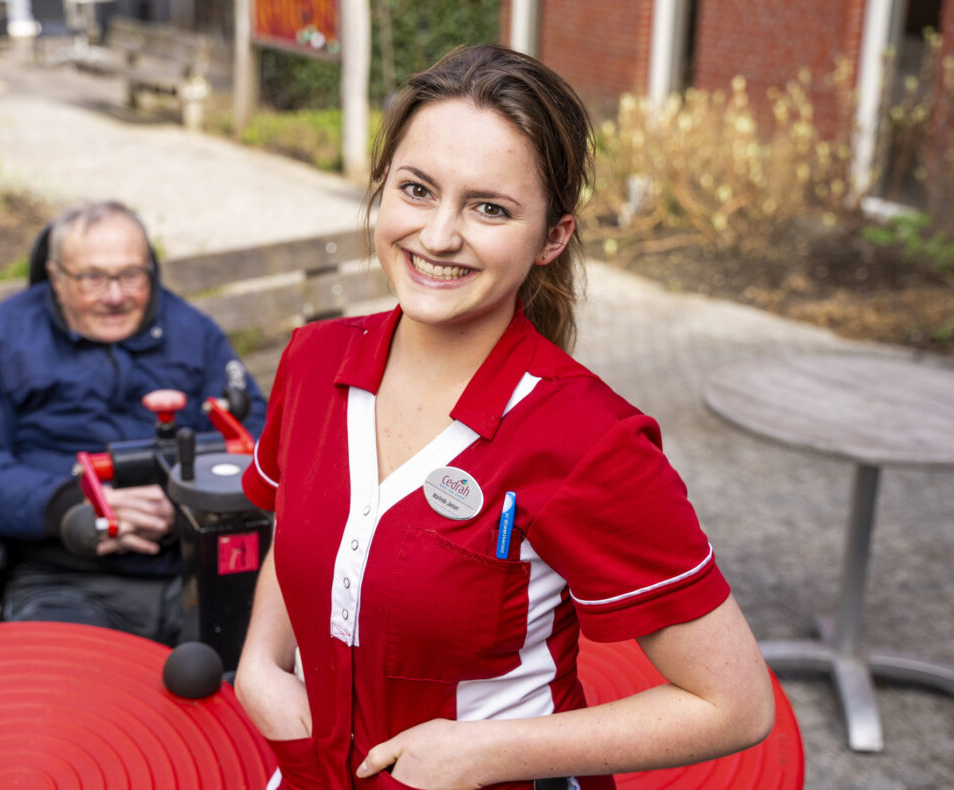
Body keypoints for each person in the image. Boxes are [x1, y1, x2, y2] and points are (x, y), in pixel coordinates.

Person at [233, 45, 774, 789]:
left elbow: (734, 705)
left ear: (552, 238)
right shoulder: (312, 361)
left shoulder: (591, 441)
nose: (439, 236)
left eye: (490, 208)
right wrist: (262, 662)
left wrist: (485, 752)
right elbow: (305, 526)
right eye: (417, 189)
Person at [0, 201, 266, 645]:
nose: (116, 295)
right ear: (57, 279)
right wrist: (66, 505)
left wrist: (187, 499)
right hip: (67, 582)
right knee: (68, 705)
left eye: (131, 275)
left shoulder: (193, 332)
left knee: (255, 689)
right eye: (93, 278)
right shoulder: (6, 338)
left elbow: (259, 433)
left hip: (197, 568)